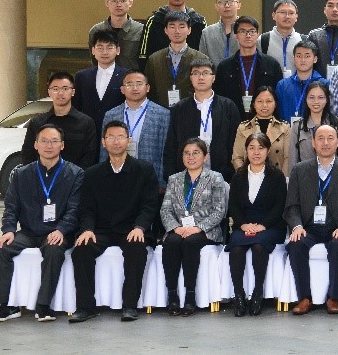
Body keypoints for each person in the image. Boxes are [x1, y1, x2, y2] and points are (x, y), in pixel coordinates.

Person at [0, 125, 85, 323]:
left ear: (62, 145)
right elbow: (11, 207)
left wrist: (61, 230)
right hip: (29, 232)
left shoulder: (75, 173)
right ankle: (7, 305)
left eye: (54, 141)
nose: (49, 145)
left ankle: (43, 305)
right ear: (36, 145)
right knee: (0, 249)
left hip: (58, 232)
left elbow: (75, 209)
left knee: (54, 250)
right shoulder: (21, 174)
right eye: (44, 141)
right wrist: (8, 230)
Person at [68, 121, 159, 323]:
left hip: (131, 229)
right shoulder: (92, 174)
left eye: (120, 137)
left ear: (129, 140)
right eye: (111, 137)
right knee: (81, 249)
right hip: (101, 230)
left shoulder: (144, 170)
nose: (116, 142)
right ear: (103, 142)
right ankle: (85, 307)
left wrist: (140, 227)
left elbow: (150, 205)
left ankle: (130, 305)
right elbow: (86, 208)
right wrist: (87, 229)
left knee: (136, 248)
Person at [284, 124, 338, 315]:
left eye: (330, 138)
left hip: (337, 226)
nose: (325, 143)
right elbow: (292, 206)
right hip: (308, 227)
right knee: (296, 244)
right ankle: (304, 298)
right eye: (320, 138)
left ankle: (334, 297)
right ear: (313, 143)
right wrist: (296, 226)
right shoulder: (299, 170)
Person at [160, 138, 227, 316]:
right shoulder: (174, 179)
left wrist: (198, 227)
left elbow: (219, 211)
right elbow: (165, 209)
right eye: (187, 153)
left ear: (205, 157)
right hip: (179, 228)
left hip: (206, 230)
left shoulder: (215, 178)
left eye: (196, 153)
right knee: (171, 242)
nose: (191, 157)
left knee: (190, 243)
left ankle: (190, 296)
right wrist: (175, 227)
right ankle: (172, 295)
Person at [226, 132, 287, 317]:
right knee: (236, 247)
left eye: (261, 148)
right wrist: (243, 225)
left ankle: (257, 293)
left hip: (270, 225)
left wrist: (263, 226)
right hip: (244, 224)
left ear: (268, 150)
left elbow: (279, 207)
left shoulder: (277, 176)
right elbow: (233, 206)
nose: (256, 152)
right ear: (246, 151)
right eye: (251, 148)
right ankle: (239, 295)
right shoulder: (238, 177)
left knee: (259, 246)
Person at [164, 62, 241, 183]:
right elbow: (171, 146)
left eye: (205, 73)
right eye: (196, 73)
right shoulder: (179, 108)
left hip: (222, 175)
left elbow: (235, 144)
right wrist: (172, 176)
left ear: (213, 77)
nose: (201, 77)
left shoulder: (228, 106)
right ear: (190, 78)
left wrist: (231, 175)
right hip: (186, 177)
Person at [100, 70, 171, 187]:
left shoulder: (163, 114)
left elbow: (165, 150)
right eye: (129, 84)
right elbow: (104, 149)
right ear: (122, 89)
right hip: (117, 175)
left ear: (147, 88)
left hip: (150, 177)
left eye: (139, 84)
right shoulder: (111, 115)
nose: (135, 88)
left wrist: (162, 182)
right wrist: (103, 176)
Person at [21, 72, 99, 167]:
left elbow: (90, 156)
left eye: (65, 89)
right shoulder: (37, 123)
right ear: (49, 92)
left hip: (76, 175)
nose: (60, 93)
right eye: (55, 89)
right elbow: (28, 155)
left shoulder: (86, 123)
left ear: (73, 92)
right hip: (43, 175)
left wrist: (75, 174)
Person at [215, 16, 283, 115]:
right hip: (233, 118)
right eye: (243, 31)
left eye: (252, 31)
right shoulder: (225, 66)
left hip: (263, 118)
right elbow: (219, 98)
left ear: (258, 34)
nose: (248, 35)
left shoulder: (271, 64)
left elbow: (278, 96)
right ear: (236, 35)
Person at [137, 0, 206, 70]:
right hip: (160, 73)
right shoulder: (153, 20)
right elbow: (143, 55)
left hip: (191, 74)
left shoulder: (199, 21)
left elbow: (204, 54)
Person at [143, 10, 211, 108]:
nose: (177, 31)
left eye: (182, 27)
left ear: (189, 30)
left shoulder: (201, 58)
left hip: (191, 110)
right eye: (172, 27)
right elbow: (150, 89)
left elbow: (205, 89)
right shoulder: (154, 59)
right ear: (166, 30)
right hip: (161, 110)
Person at [230, 86, 292, 177]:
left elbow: (288, 158)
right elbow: (237, 158)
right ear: (253, 104)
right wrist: (246, 177)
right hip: (249, 178)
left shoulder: (284, 127)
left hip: (277, 179)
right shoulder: (243, 128)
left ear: (275, 104)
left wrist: (281, 179)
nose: (264, 105)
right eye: (260, 101)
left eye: (269, 101)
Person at [73, 30, 129, 130]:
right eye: (100, 48)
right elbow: (76, 107)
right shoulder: (82, 76)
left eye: (109, 48)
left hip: (117, 131)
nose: (105, 52)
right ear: (93, 50)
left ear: (118, 50)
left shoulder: (127, 75)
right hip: (88, 131)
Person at [289, 81, 338, 166]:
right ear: (306, 99)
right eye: (311, 97)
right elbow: (292, 161)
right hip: (305, 173)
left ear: (327, 100)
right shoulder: (297, 127)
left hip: (334, 173)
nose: (316, 101)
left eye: (320, 97)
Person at [89, 0, 144, 70]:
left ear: (130, 3)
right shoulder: (96, 30)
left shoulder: (141, 30)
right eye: (114, 0)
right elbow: (94, 61)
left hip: (131, 77)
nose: (118, 4)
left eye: (123, 0)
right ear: (107, 3)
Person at [274, 40, 326, 123]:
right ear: (293, 59)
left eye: (307, 56)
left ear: (315, 59)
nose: (303, 60)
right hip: (287, 130)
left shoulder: (324, 84)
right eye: (299, 56)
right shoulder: (282, 85)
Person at [305, 0, 338, 74]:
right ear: (325, 10)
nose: (334, 9)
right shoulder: (314, 36)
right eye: (330, 6)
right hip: (319, 81)